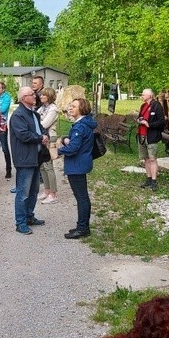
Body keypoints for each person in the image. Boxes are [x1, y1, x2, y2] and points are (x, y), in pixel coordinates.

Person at [9, 86, 49, 234]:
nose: (35, 96)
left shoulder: (33, 114)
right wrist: (40, 138)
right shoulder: (18, 115)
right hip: (25, 158)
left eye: (34, 94)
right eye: (31, 95)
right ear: (23, 98)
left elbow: (41, 129)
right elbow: (23, 135)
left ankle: (29, 216)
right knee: (23, 192)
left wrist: (44, 135)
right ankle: (20, 222)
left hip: (35, 157)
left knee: (33, 191)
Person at [57, 97, 97, 239]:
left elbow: (73, 148)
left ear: (82, 109)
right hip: (81, 163)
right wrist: (65, 139)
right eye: (70, 105)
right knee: (82, 197)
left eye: (74, 106)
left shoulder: (80, 126)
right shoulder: (83, 124)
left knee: (81, 197)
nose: (70, 108)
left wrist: (58, 151)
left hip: (77, 165)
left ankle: (82, 229)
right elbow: (74, 141)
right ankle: (82, 226)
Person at [135, 89, 166, 191]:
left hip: (151, 136)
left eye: (143, 95)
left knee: (152, 159)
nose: (142, 96)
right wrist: (139, 120)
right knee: (146, 159)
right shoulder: (143, 106)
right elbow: (140, 116)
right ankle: (148, 179)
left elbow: (162, 122)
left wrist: (149, 124)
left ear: (150, 96)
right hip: (142, 135)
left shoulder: (157, 106)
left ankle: (154, 181)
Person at [37, 87, 59, 204]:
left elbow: (44, 124)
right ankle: (46, 189)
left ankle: (53, 193)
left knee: (48, 165)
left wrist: (35, 123)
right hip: (42, 137)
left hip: (49, 137)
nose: (41, 97)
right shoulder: (43, 108)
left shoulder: (53, 109)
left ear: (49, 96)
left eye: (43, 95)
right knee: (42, 166)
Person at [0, 81, 13, 180]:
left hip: (2, 125)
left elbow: (3, 110)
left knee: (5, 148)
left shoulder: (6, 97)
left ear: (3, 89)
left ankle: (8, 169)